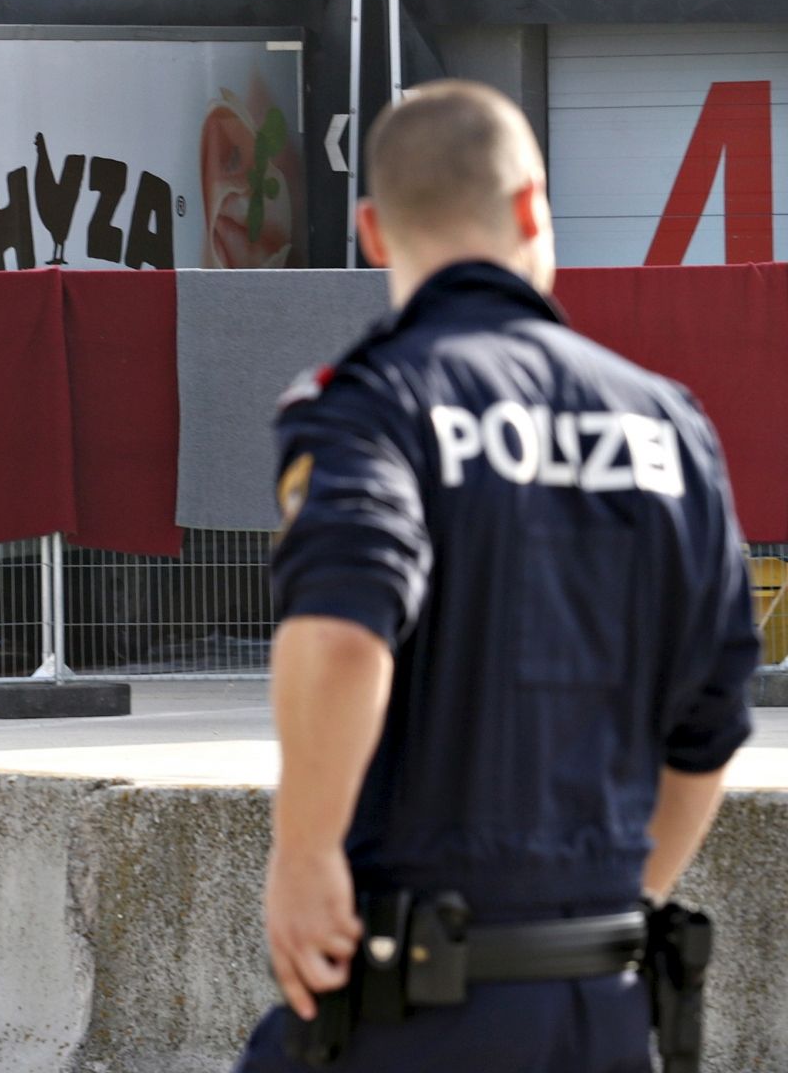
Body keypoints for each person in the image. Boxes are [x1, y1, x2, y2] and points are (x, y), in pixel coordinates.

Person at [232, 80, 757, 1072]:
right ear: (531, 207)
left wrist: (301, 858)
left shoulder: (373, 403)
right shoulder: (668, 425)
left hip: (411, 1014)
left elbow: (344, 632)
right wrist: (601, 905)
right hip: (603, 1012)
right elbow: (712, 720)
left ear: (374, 233)